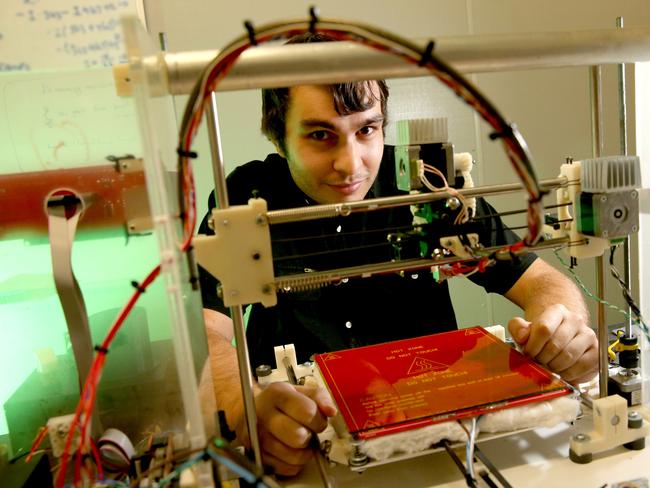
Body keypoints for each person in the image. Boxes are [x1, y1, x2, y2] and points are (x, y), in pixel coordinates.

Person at [197, 33, 598, 476]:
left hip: (437, 440)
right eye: (319, 136)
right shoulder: (248, 201)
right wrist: (243, 407)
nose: (351, 164)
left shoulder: (427, 186)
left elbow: (540, 281)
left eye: (366, 129)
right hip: (307, 444)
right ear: (278, 136)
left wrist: (563, 329)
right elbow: (205, 333)